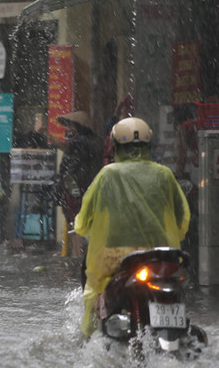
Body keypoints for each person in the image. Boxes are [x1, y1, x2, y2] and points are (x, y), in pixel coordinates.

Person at [74, 117, 190, 337]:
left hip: (114, 258)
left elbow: (84, 221)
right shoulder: (164, 175)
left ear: (116, 147)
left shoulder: (107, 175)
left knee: (93, 291)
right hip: (160, 257)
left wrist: (85, 227)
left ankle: (88, 336)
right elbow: (181, 219)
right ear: (148, 146)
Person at [48, 110, 101, 256]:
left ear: (80, 127)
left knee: (77, 222)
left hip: (78, 187)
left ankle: (79, 257)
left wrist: (46, 134)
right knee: (78, 222)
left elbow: (65, 147)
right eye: (67, 126)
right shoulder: (91, 140)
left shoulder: (81, 141)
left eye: (72, 126)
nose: (68, 129)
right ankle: (79, 256)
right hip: (80, 186)